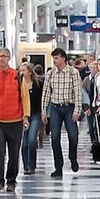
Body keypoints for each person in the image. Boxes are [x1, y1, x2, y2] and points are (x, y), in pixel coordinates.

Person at [0, 55, 28, 191]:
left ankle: (11, 181)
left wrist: (26, 116)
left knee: (14, 153)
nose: (1, 59)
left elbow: (24, 97)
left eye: (4, 56)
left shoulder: (18, 76)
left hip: (15, 120)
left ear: (9, 58)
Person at [41, 48, 85, 177]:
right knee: (54, 137)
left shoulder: (73, 72)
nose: (55, 60)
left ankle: (72, 157)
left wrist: (77, 110)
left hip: (69, 107)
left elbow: (78, 92)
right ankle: (58, 167)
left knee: (73, 135)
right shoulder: (50, 74)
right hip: (55, 108)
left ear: (63, 58)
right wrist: (44, 111)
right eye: (53, 58)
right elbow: (46, 93)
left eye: (57, 58)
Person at [24, 54, 48, 176]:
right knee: (24, 143)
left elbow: (43, 99)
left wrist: (44, 112)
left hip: (35, 114)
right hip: (23, 116)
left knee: (32, 140)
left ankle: (31, 165)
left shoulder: (38, 83)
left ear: (29, 71)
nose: (21, 72)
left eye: (24, 70)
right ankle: (25, 165)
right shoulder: (18, 84)